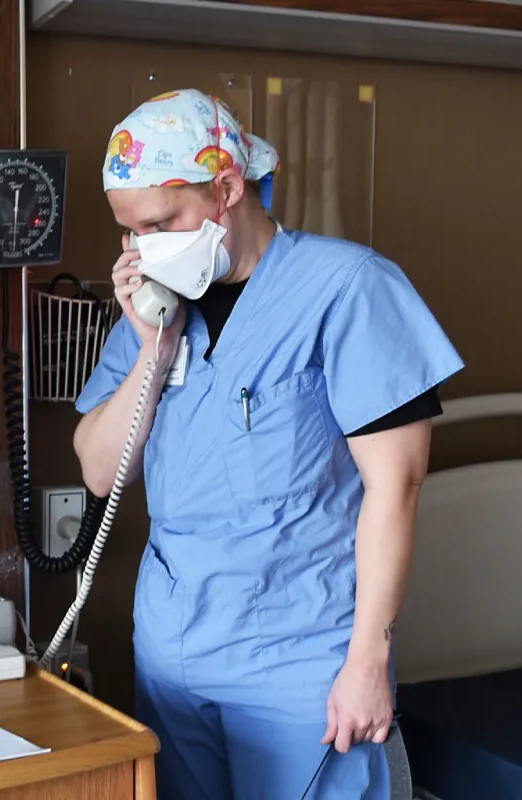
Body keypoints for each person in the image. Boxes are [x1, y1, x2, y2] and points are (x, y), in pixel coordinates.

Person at [72, 88, 464, 799]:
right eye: (131, 233)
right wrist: (150, 357)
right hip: (175, 652)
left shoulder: (346, 289)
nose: (143, 248)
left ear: (225, 189)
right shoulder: (154, 312)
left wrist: (368, 665)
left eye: (161, 223)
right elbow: (102, 473)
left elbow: (395, 485)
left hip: (300, 657)